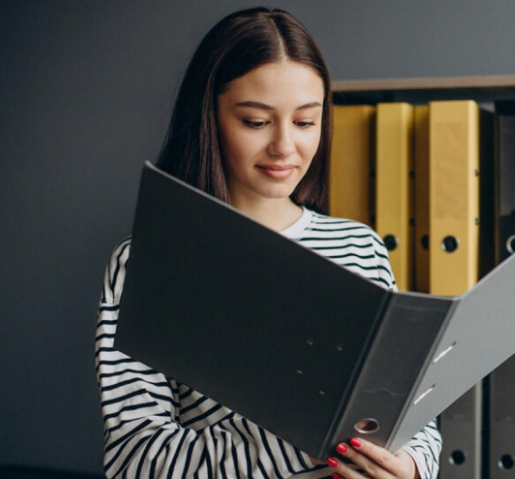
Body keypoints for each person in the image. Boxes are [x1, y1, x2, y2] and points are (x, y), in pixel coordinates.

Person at [95, 7, 441, 479]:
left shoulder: (360, 247)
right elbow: (135, 457)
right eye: (257, 122)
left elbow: (410, 415)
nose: (284, 147)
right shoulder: (148, 261)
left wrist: (411, 463)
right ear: (210, 118)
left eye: (305, 123)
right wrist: (304, 448)